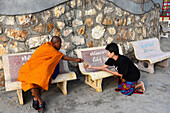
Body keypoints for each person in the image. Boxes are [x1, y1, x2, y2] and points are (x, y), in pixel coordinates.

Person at [17, 36, 83, 112]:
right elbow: (63, 57)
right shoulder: (48, 48)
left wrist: (75, 60)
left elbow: (59, 57)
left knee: (44, 79)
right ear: (54, 43)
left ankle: (36, 99)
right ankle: (40, 101)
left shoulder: (52, 49)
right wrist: (75, 59)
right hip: (32, 67)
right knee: (31, 81)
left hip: (43, 70)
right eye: (59, 43)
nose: (61, 45)